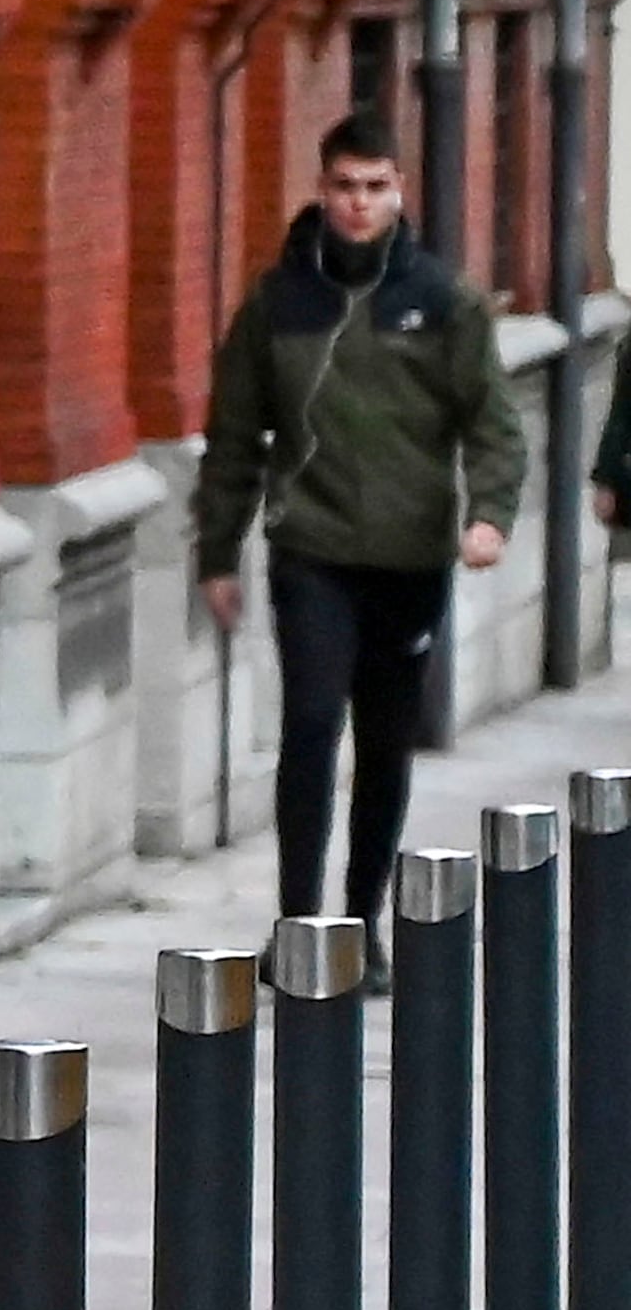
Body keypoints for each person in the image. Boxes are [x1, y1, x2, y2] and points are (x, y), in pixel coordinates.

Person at [200, 113, 523, 960]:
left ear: (399, 192)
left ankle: (362, 920)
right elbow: (234, 434)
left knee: (385, 739)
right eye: (345, 187)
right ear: (322, 189)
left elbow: (492, 422)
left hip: (411, 555)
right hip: (310, 548)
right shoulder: (278, 303)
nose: (359, 204)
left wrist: (489, 514)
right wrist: (216, 552)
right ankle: (301, 923)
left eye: (376, 187)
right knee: (311, 723)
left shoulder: (442, 301)